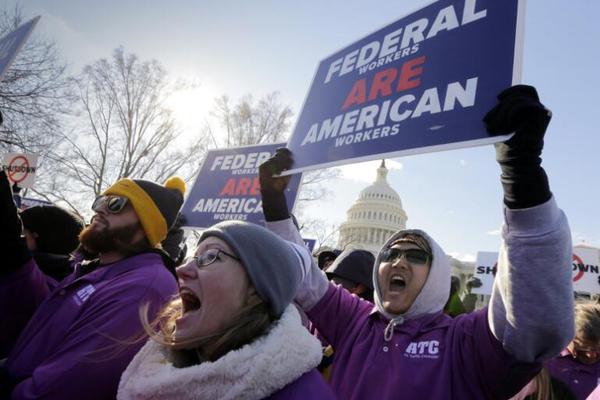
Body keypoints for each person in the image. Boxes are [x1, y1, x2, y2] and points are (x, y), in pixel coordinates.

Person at [259, 85, 574, 399]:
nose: (398, 261)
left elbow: (535, 323)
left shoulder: (464, 343)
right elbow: (303, 277)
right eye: (390, 254)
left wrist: (521, 172)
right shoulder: (355, 323)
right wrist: (275, 204)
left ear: (436, 275)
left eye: (416, 256)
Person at [0, 173, 184, 399]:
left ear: (147, 223)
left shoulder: (145, 287)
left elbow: (67, 386)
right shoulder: (96, 270)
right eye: (100, 201)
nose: (99, 210)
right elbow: (45, 325)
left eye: (116, 204)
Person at [117, 220, 335, 400]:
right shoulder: (157, 367)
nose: (181, 269)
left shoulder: (304, 394)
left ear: (256, 289)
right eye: (193, 257)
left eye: (210, 256)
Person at [545, 301, 600, 399]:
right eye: (584, 349)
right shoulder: (546, 358)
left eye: (598, 349)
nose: (592, 355)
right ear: (568, 337)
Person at [20, 204, 85, 282]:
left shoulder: (26, 276)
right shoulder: (66, 273)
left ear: (37, 236)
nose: (19, 237)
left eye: (23, 233)